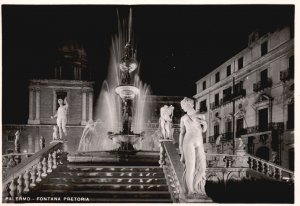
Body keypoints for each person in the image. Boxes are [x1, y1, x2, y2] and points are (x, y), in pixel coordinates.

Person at [179, 97, 208, 195]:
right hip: (188, 142)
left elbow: (203, 131)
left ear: (190, 104)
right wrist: (180, 148)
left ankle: (198, 188)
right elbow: (182, 133)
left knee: (202, 167)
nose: (183, 108)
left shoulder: (202, 116)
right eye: (182, 106)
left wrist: (205, 124)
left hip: (199, 141)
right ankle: (191, 191)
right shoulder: (183, 118)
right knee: (190, 167)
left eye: (184, 105)